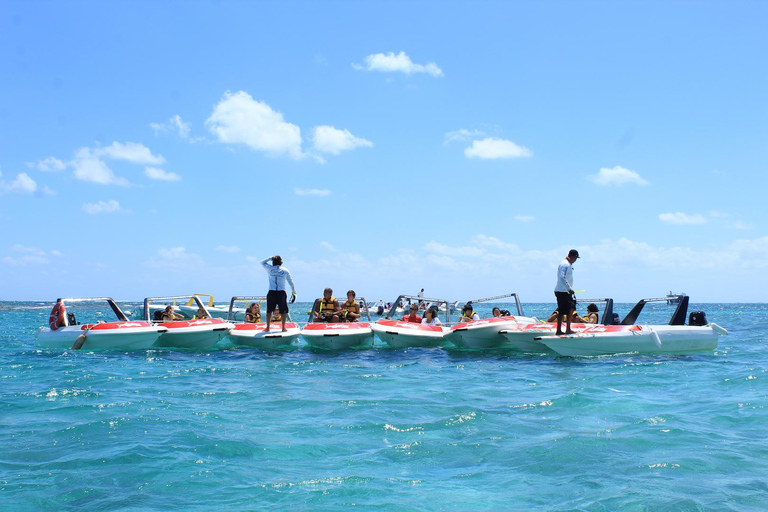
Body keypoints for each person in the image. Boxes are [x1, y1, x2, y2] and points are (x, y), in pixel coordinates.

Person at [261, 255, 297, 332]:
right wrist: (294, 293)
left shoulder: (270, 269)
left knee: (269, 310)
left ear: (273, 262)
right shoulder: (285, 270)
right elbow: (291, 282)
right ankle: (283, 328)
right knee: (283, 310)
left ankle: (267, 328)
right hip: (281, 292)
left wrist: (270, 258)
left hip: (272, 292)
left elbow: (262, 262)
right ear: (281, 262)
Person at [554, 249, 580, 335]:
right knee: (563, 310)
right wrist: (569, 288)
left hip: (565, 291)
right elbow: (562, 276)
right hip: (562, 291)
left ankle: (566, 328)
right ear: (574, 257)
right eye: (576, 258)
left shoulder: (568, 264)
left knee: (570, 308)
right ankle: (563, 329)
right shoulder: (565, 264)